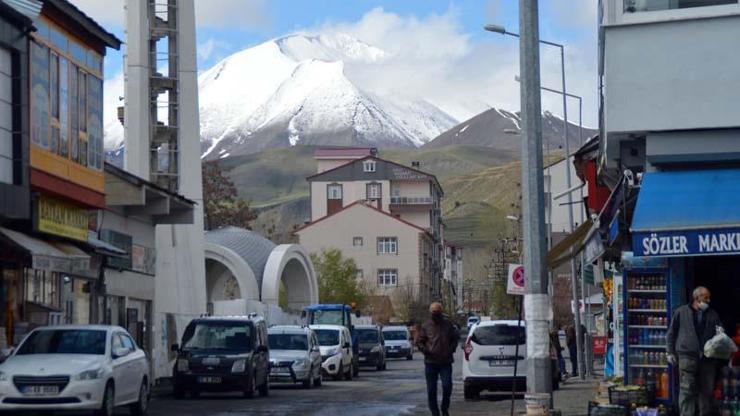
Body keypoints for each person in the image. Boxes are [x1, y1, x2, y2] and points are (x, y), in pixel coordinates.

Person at [667, 286, 723, 416]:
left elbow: (720, 332)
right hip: (687, 357)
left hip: (708, 358)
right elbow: (671, 334)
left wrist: (721, 333)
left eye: (709, 297)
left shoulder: (712, 314)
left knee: (706, 390)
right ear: (696, 298)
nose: (709, 300)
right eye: (705, 297)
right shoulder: (681, 312)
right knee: (686, 390)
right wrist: (670, 352)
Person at [417, 302, 459, 416]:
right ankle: (435, 412)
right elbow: (420, 341)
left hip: (445, 361)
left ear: (441, 312)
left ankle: (444, 408)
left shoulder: (448, 325)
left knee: (447, 385)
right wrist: (425, 350)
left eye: (437, 311)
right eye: (433, 311)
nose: (435, 313)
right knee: (431, 390)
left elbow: (455, 339)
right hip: (431, 362)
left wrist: (451, 349)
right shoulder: (426, 326)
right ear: (431, 312)